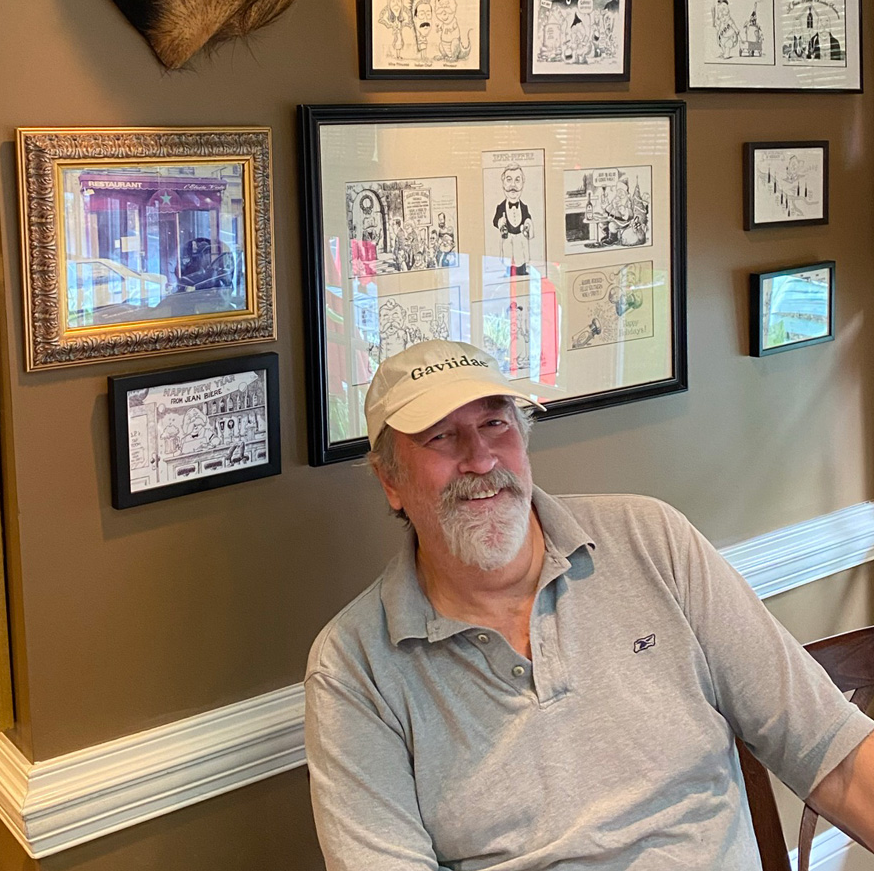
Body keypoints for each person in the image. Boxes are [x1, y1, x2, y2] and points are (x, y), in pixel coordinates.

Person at [304, 339, 874, 870]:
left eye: (495, 423)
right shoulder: (354, 666)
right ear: (390, 481)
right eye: (440, 437)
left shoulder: (651, 539)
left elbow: (829, 749)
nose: (481, 459)